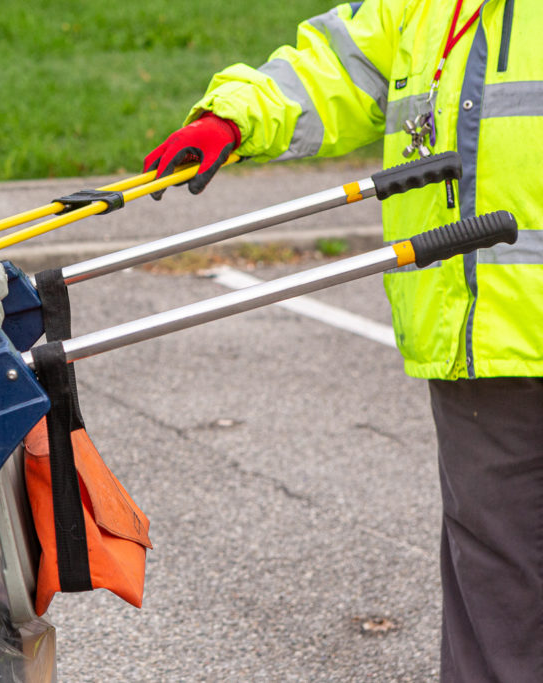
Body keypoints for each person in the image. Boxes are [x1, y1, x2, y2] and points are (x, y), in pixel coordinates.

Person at [142, 2, 542, 681]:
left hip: (489, 327)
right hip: (484, 340)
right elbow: (333, 63)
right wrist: (234, 115)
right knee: (496, 595)